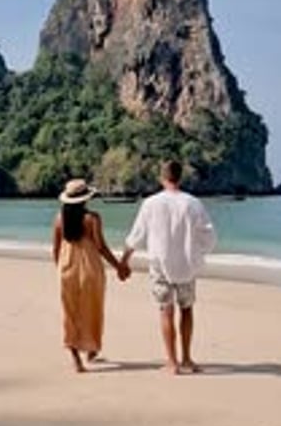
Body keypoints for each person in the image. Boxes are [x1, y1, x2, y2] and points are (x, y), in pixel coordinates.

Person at [121, 160, 216, 375]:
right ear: (180, 177)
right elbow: (209, 236)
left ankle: (172, 362)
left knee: (166, 311)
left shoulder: (151, 204)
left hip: (160, 265)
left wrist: (124, 261)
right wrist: (198, 254)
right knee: (187, 310)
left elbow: (136, 236)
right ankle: (187, 358)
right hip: (186, 266)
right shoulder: (193, 203)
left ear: (161, 178)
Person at [52, 178, 129, 373]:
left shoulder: (59, 218)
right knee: (92, 307)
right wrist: (119, 266)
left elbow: (56, 248)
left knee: (70, 312)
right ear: (85, 199)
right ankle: (91, 348)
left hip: (66, 267)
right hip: (90, 268)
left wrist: (59, 268)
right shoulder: (92, 218)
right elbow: (101, 247)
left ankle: (75, 357)